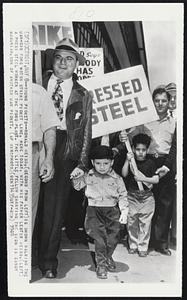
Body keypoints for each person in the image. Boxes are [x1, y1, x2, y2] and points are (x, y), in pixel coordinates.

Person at [37, 38, 92, 278]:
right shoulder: (36, 83)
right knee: (33, 204)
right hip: (37, 142)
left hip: (65, 149)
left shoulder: (83, 94)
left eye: (69, 59)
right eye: (59, 57)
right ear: (53, 60)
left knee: (54, 209)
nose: (63, 63)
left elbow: (87, 131)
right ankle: (29, 254)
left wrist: (81, 163)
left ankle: (48, 261)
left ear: (76, 65)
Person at [120, 86, 176, 255]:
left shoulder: (174, 122)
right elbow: (131, 137)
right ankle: (138, 239)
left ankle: (160, 243)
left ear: (169, 102)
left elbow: (175, 147)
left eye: (163, 101)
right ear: (152, 102)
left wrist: (167, 166)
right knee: (142, 204)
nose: (160, 104)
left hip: (165, 164)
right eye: (157, 101)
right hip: (146, 161)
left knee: (164, 205)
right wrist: (124, 137)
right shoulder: (144, 120)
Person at [72, 145, 129, 279]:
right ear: (92, 162)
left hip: (112, 212)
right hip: (94, 211)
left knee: (113, 239)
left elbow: (123, 195)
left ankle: (108, 256)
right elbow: (77, 187)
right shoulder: (88, 176)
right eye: (98, 163)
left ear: (112, 162)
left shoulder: (117, 179)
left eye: (106, 163)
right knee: (100, 240)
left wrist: (124, 211)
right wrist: (76, 177)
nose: (102, 167)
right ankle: (101, 264)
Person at [121, 133, 159, 257]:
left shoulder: (151, 163)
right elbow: (124, 174)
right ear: (133, 149)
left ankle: (143, 246)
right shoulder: (132, 161)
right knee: (131, 222)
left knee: (145, 223)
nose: (140, 152)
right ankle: (133, 244)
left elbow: (156, 180)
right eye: (138, 149)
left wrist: (144, 179)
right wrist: (127, 160)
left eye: (143, 150)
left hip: (147, 197)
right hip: (132, 196)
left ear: (147, 150)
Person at [32, 83, 60, 232]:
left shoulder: (38, 92)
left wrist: (48, 158)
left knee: (27, 209)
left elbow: (50, 128)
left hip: (29, 153)